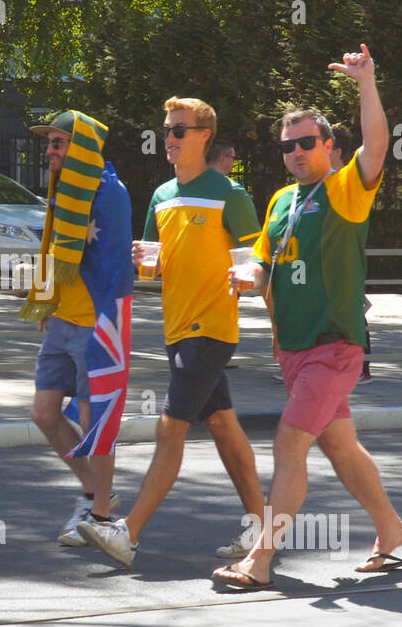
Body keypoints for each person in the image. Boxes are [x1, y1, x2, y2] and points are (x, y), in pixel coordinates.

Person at [214, 44, 402, 591]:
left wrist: (366, 82)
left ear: (329, 146)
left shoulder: (344, 190)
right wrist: (251, 276)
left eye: (307, 142)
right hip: (294, 348)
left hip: (333, 345)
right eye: (288, 145)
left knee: (288, 444)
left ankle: (260, 559)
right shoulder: (282, 199)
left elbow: (377, 145)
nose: (297, 152)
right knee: (340, 446)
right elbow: (264, 262)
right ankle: (391, 527)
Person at [77, 96, 265, 567]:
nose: (170, 139)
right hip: (176, 327)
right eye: (166, 130)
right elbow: (152, 267)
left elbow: (257, 264)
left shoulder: (230, 195)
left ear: (204, 136)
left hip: (211, 327)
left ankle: (128, 532)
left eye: (179, 130)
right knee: (222, 424)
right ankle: (262, 526)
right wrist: (146, 261)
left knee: (170, 427)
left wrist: (262, 299)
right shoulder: (161, 195)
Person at [22, 111, 134, 545]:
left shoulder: (109, 192)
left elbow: (115, 262)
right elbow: (53, 245)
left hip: (96, 325)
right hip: (61, 320)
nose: (49, 151)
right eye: (49, 143)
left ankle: (100, 514)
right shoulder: (62, 187)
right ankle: (92, 491)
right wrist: (46, 301)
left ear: (81, 146)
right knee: (44, 414)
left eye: (58, 143)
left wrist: (111, 324)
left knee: (94, 421)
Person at [329, 124, 373, 383]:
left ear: (336, 150)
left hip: (344, 262)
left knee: (352, 312)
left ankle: (362, 368)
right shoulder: (318, 181)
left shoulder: (349, 180)